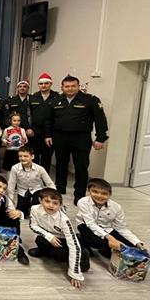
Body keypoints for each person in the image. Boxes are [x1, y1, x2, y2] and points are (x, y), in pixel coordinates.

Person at [45, 75, 109, 205]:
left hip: (81, 137)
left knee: (81, 165)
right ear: (62, 87)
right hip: (60, 136)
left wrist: (100, 138)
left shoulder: (90, 100)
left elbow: (100, 120)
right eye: (67, 86)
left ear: (78, 86)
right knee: (61, 163)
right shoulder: (55, 100)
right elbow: (49, 120)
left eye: (73, 86)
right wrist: (48, 135)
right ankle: (60, 188)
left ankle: (79, 194)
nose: (70, 88)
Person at [28, 188, 90, 290]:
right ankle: (45, 252)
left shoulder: (64, 220)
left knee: (58, 254)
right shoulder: (34, 209)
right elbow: (33, 225)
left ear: (60, 205)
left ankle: (83, 253)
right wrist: (49, 236)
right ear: (40, 201)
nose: (50, 205)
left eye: (55, 203)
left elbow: (73, 245)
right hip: (50, 235)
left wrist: (74, 273)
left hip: (64, 239)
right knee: (39, 240)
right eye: (47, 201)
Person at [76, 178, 147, 258]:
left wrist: (137, 242)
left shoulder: (116, 207)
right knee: (99, 243)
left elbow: (121, 228)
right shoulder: (83, 202)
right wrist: (111, 239)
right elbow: (90, 224)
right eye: (95, 192)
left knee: (131, 247)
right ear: (88, 191)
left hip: (106, 228)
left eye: (104, 193)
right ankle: (82, 239)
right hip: (85, 225)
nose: (99, 196)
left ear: (110, 194)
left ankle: (105, 249)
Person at [0, 175, 29, 265]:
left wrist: (19, 213)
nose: (2, 190)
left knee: (14, 216)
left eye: (4, 189)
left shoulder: (5, 199)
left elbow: (13, 211)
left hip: (0, 225)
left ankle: (16, 243)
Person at [7, 146, 55, 217]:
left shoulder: (40, 169)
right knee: (21, 213)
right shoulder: (15, 168)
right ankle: (27, 205)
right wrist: (10, 203)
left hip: (37, 190)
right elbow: (11, 186)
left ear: (32, 157)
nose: (22, 158)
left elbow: (49, 183)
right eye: (20, 156)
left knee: (36, 211)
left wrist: (55, 197)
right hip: (22, 191)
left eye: (26, 156)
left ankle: (33, 205)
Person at [29, 73, 60, 173]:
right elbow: (28, 114)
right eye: (41, 84)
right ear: (38, 85)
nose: (44, 85)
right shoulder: (33, 97)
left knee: (47, 156)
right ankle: (33, 176)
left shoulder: (57, 97)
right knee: (34, 155)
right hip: (35, 131)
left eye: (46, 83)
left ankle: (43, 177)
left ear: (50, 84)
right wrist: (28, 128)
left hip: (51, 131)